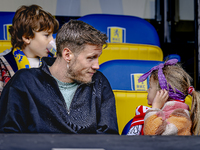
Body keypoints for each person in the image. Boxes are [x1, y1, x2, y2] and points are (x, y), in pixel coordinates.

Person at [0, 20, 119, 134]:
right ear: (67, 55)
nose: (97, 66)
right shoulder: (24, 82)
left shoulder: (99, 82)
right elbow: (9, 135)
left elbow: (108, 137)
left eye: (98, 57)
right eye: (91, 58)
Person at [0, 4, 59, 95]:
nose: (52, 40)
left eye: (52, 35)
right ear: (27, 37)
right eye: (47, 35)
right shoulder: (4, 64)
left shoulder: (51, 64)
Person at [128, 59, 194, 135]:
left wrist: (155, 107)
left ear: (162, 93)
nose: (147, 90)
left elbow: (153, 134)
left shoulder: (181, 117)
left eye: (150, 87)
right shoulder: (148, 114)